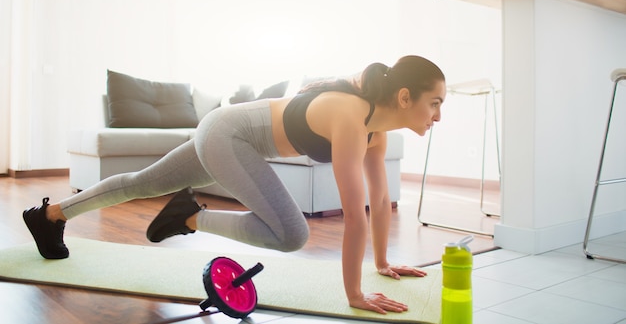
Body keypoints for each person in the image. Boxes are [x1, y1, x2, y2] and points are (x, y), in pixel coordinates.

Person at [23, 55, 446, 315]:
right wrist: (354, 293)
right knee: (292, 233)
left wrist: (382, 263)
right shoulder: (352, 116)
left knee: (143, 182)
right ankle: (187, 217)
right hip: (229, 135)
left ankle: (48, 215)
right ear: (406, 97)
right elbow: (355, 215)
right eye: (435, 104)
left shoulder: (377, 132)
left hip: (227, 132)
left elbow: (380, 198)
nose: (438, 116)